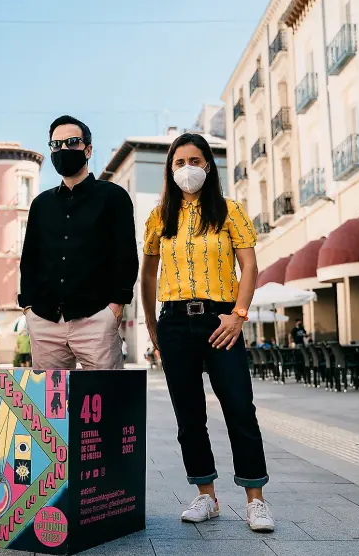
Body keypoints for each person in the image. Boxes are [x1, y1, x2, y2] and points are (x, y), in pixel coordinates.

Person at [141, 133, 274, 533]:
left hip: (222, 320)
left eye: (195, 160)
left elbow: (249, 267)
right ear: (170, 168)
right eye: (179, 162)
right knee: (189, 414)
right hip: (175, 322)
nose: (187, 169)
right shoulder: (159, 216)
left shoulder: (231, 211)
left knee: (239, 406)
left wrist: (239, 314)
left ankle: (256, 501)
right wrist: (152, 326)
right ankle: (206, 495)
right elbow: (147, 275)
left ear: (208, 166)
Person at [19, 115, 138, 370]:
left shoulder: (113, 197)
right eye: (56, 145)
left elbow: (126, 256)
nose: (64, 149)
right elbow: (29, 259)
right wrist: (28, 308)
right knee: (51, 408)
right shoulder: (41, 204)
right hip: (45, 321)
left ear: (88, 149)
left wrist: (115, 308)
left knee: (104, 404)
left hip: (96, 319)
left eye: (72, 143)